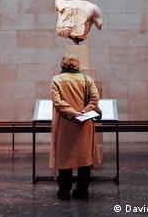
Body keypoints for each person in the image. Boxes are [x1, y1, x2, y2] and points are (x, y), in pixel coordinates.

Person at [49, 54, 100, 201]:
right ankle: (82, 190)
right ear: (77, 65)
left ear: (63, 65)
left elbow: (57, 102)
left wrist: (73, 113)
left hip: (65, 124)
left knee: (65, 158)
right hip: (84, 124)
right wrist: (83, 112)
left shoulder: (57, 79)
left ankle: (64, 191)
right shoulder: (87, 79)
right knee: (84, 158)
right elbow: (95, 99)